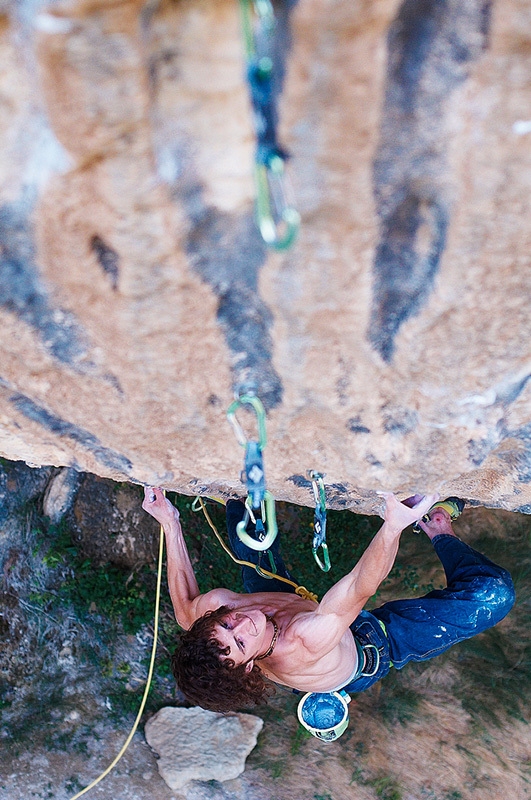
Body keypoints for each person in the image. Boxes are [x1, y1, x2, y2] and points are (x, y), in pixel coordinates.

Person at [142, 488, 515, 712]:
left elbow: (183, 607)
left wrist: (169, 522)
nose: (242, 621)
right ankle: (436, 526)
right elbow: (358, 586)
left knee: (249, 516)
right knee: (493, 594)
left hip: (287, 609)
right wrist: (394, 524)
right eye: (239, 641)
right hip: (372, 645)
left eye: (225, 623)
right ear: (247, 667)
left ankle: (241, 494)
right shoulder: (305, 640)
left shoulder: (213, 623)